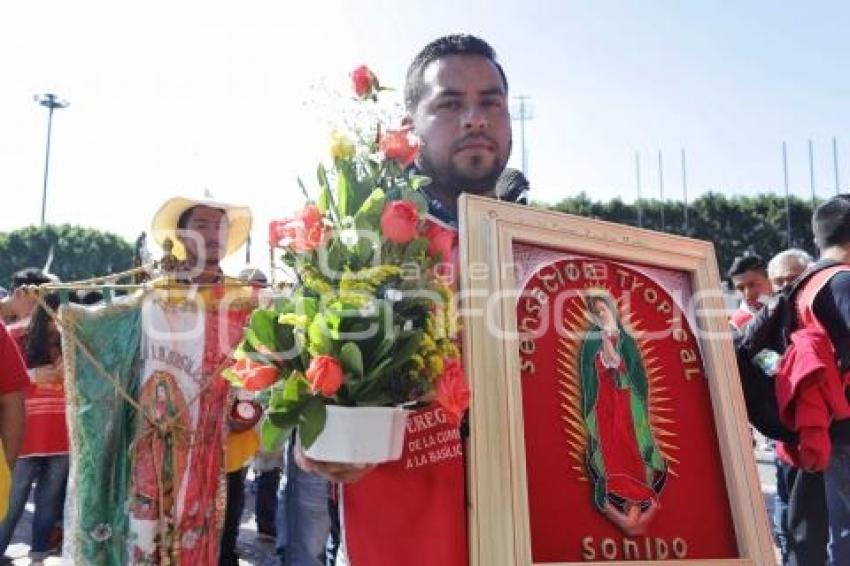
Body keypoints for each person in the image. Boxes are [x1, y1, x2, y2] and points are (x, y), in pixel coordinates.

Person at [296, 34, 523, 566]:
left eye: (491, 102)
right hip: (403, 536)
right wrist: (316, 440)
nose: (475, 118)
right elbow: (306, 386)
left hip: (532, 532)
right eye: (449, 103)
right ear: (410, 126)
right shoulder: (356, 239)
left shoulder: (551, 248)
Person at [142, 197, 258, 565]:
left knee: (220, 545)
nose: (213, 235)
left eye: (220, 227)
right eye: (203, 225)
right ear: (180, 235)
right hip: (163, 450)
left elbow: (263, 364)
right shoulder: (157, 295)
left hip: (228, 448)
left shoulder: (248, 300)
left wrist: (252, 403)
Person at [580, 292, 666, 536]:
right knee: (610, 442)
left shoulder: (626, 339)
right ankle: (618, 485)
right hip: (603, 400)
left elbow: (637, 373)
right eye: (596, 313)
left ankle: (636, 489)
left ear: (611, 310)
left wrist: (619, 366)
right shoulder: (592, 339)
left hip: (627, 400)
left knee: (628, 441)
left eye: (603, 310)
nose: (601, 315)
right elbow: (586, 371)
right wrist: (600, 361)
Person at [0, 294, 71, 565]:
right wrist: (34, 376)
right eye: (58, 310)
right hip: (26, 436)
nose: (62, 318)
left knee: (49, 503)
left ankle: (38, 556)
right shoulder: (15, 334)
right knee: (11, 501)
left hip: (61, 435)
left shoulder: (74, 339)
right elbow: (9, 389)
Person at [763, 249, 819, 565]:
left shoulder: (818, 312)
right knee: (790, 517)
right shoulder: (768, 321)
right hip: (784, 438)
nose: (787, 286)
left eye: (792, 278)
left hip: (822, 435)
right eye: (779, 281)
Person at [728, 254, 773, 333]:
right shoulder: (736, 326)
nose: (748, 294)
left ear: (770, 280)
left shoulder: (790, 307)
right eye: (740, 288)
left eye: (753, 284)